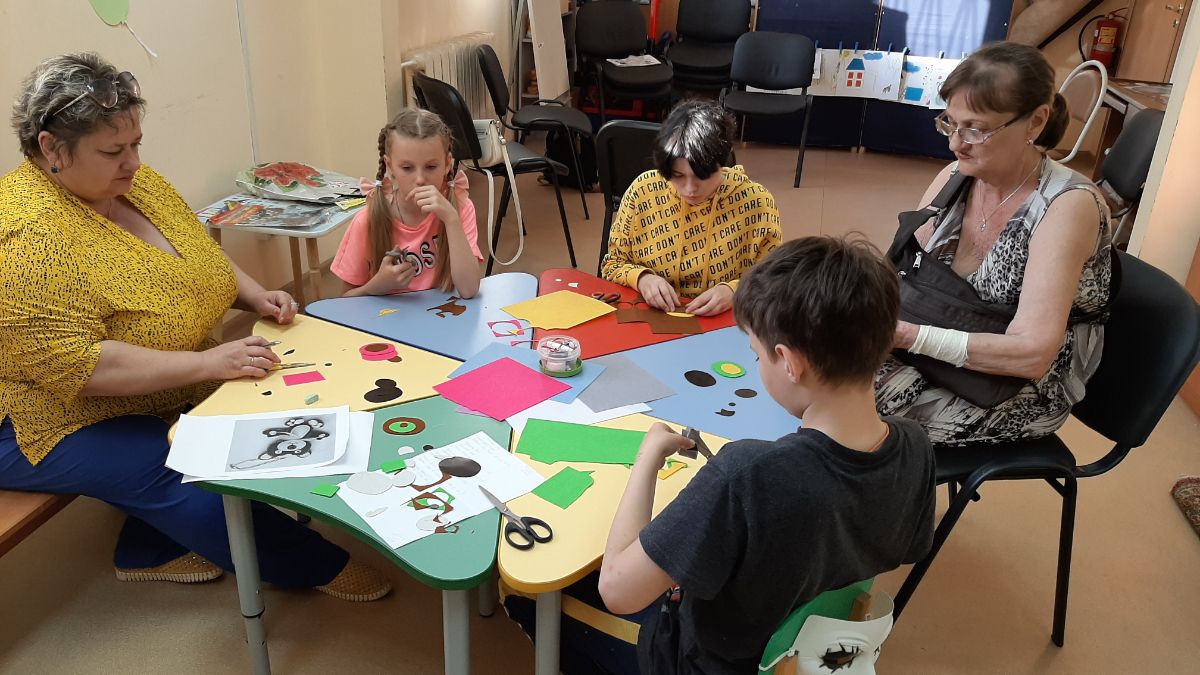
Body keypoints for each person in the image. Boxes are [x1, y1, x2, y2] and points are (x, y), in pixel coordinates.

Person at [0, 53, 390, 600]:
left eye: (136, 144)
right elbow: (82, 368)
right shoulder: (26, 237)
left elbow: (197, 255)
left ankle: (146, 548)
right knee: (179, 466)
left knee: (278, 407)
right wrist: (207, 363)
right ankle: (313, 565)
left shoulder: (133, 183)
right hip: (39, 415)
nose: (133, 162)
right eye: (113, 151)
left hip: (154, 379)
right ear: (51, 149)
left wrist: (254, 293)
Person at [505, 237, 936, 674]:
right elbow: (896, 545)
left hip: (702, 662)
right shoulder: (916, 445)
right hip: (810, 651)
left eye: (756, 356)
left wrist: (646, 461)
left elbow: (617, 590)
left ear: (789, 362)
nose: (757, 366)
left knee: (529, 594)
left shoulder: (747, 474)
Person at [874, 42, 1114, 446]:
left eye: (976, 129)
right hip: (939, 344)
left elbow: (1031, 355)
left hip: (1019, 386)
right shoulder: (956, 176)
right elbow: (898, 272)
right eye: (949, 123)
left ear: (1035, 122)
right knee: (818, 365)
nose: (956, 143)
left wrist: (907, 336)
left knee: (845, 405)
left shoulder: (1066, 206)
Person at [599, 100, 781, 316]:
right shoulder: (642, 192)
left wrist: (735, 291)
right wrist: (642, 279)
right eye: (678, 175)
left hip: (722, 323)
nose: (690, 189)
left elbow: (775, 279)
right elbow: (612, 264)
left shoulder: (755, 202)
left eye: (702, 176)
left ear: (723, 162)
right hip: (651, 318)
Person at [331, 108, 483, 298]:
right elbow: (344, 302)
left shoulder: (459, 209)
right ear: (390, 167)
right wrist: (375, 287)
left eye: (431, 167)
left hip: (441, 314)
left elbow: (468, 290)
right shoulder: (367, 221)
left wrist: (451, 220)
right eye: (407, 168)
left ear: (447, 164)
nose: (420, 179)